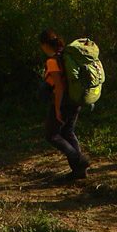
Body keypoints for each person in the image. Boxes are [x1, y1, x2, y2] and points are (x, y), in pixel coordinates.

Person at [39, 28, 90, 180]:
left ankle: (80, 161)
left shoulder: (53, 61)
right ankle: (79, 171)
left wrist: (57, 109)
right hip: (76, 98)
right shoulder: (66, 55)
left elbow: (59, 87)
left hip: (64, 102)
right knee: (68, 132)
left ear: (44, 44)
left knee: (52, 135)